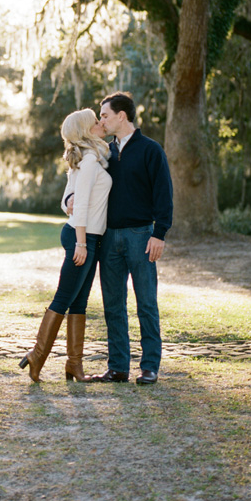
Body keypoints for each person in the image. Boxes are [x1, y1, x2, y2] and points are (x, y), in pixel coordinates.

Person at [19, 108, 112, 382]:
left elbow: (67, 200)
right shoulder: (91, 160)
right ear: (86, 129)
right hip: (81, 238)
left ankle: (74, 365)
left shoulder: (88, 158)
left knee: (79, 301)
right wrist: (81, 244)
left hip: (88, 237)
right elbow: (78, 204)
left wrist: (70, 207)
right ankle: (37, 355)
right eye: (96, 121)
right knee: (64, 297)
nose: (100, 124)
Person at [88, 91, 173, 385]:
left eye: (105, 115)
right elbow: (88, 183)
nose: (102, 120)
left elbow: (164, 193)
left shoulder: (151, 150)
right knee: (113, 305)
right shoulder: (105, 152)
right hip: (109, 238)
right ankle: (118, 367)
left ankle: (149, 366)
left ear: (121, 116)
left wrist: (159, 234)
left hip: (141, 236)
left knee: (146, 303)